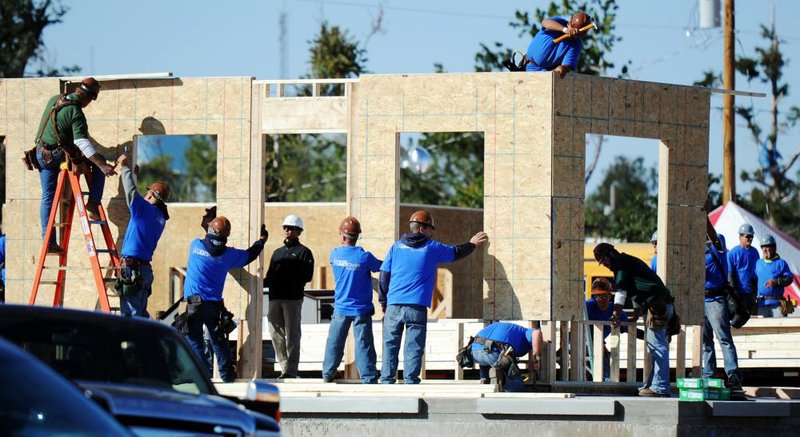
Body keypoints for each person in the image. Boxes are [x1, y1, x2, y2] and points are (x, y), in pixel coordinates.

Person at [379, 210, 488, 384]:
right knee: (413, 346)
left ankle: (386, 380)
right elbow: (456, 252)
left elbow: (384, 274)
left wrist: (383, 301)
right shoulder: (431, 248)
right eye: (431, 229)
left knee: (390, 344)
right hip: (416, 307)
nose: (432, 233)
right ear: (422, 229)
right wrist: (473, 243)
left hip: (393, 305)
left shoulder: (396, 247)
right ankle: (410, 381)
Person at [32, 77, 116, 253]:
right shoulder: (76, 113)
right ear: (90, 97)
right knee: (99, 160)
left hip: (40, 154)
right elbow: (82, 143)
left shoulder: (55, 98)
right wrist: (102, 165)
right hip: (56, 156)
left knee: (48, 197)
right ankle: (93, 204)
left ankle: (48, 241)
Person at [183, 216, 269, 382]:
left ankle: (200, 378)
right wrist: (262, 240)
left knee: (195, 342)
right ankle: (227, 376)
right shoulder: (228, 255)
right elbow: (250, 255)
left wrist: (209, 222)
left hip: (194, 305)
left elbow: (207, 237)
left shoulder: (195, 245)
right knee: (218, 342)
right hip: (213, 306)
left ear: (211, 230)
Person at [594, 242, 675, 397]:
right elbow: (637, 290)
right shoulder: (627, 262)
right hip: (659, 305)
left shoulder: (620, 264)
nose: (604, 265)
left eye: (604, 260)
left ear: (611, 254)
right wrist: (637, 314)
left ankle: (661, 388)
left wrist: (616, 314)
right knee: (654, 348)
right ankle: (653, 385)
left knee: (657, 348)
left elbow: (621, 292)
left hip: (656, 306)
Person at [321, 216, 382, 383]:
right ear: (357, 237)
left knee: (335, 341)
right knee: (363, 344)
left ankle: (328, 373)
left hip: (340, 308)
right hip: (361, 309)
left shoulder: (335, 254)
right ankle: (368, 377)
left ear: (342, 236)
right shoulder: (364, 257)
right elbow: (380, 267)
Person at [114, 155, 170, 318]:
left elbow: (131, 192)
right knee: (139, 312)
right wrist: (134, 175)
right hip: (143, 270)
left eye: (149, 194)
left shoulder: (143, 209)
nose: (146, 196)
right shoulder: (160, 217)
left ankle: (147, 341)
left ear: (152, 196)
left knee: (132, 316)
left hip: (134, 268)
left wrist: (124, 167)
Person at [265, 214, 315, 379]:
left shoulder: (304, 253)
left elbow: (307, 276)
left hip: (292, 298)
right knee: (275, 333)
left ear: (299, 231)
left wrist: (286, 275)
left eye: (292, 228)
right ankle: (285, 367)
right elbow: (269, 276)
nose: (288, 231)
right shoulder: (277, 253)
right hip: (274, 297)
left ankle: (291, 371)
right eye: (285, 228)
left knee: (292, 334)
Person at [703, 233, 745, 398]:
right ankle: (708, 375)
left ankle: (733, 375)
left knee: (724, 339)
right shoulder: (698, 249)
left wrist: (705, 218)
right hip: (702, 299)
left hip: (715, 299)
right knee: (705, 341)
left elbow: (713, 236)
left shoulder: (717, 243)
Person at [469, 322, 543, 392]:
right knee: (517, 383)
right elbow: (537, 333)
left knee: (487, 362)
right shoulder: (526, 332)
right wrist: (537, 359)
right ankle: (502, 379)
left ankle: (484, 380)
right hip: (493, 351)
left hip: (474, 352)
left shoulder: (514, 329)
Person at [585, 277, 629, 381]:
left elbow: (629, 329)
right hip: (579, 341)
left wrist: (647, 336)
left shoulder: (616, 310)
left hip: (598, 344)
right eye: (597, 296)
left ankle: (604, 380)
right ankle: (601, 379)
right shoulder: (587, 306)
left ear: (610, 295)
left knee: (602, 355)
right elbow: (580, 329)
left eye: (604, 295)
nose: (601, 299)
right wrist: (600, 343)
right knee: (598, 352)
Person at [525, 11, 592, 77]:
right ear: (569, 23)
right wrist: (565, 29)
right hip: (526, 65)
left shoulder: (576, 45)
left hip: (544, 74)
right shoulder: (560, 22)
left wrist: (561, 69)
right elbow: (545, 22)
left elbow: (566, 66)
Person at [754, 234, 793, 318]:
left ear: (774, 248)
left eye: (769, 246)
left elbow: (789, 279)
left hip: (777, 305)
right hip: (761, 304)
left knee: (780, 330)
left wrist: (777, 282)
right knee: (762, 330)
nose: (766, 249)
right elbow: (753, 280)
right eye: (763, 247)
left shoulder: (781, 263)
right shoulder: (758, 263)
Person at [727, 223, 759, 313]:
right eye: (747, 236)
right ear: (740, 237)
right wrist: (734, 295)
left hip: (751, 294)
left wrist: (755, 292)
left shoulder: (755, 252)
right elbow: (730, 275)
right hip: (738, 294)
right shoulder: (733, 253)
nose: (750, 239)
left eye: (751, 236)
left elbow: (755, 274)